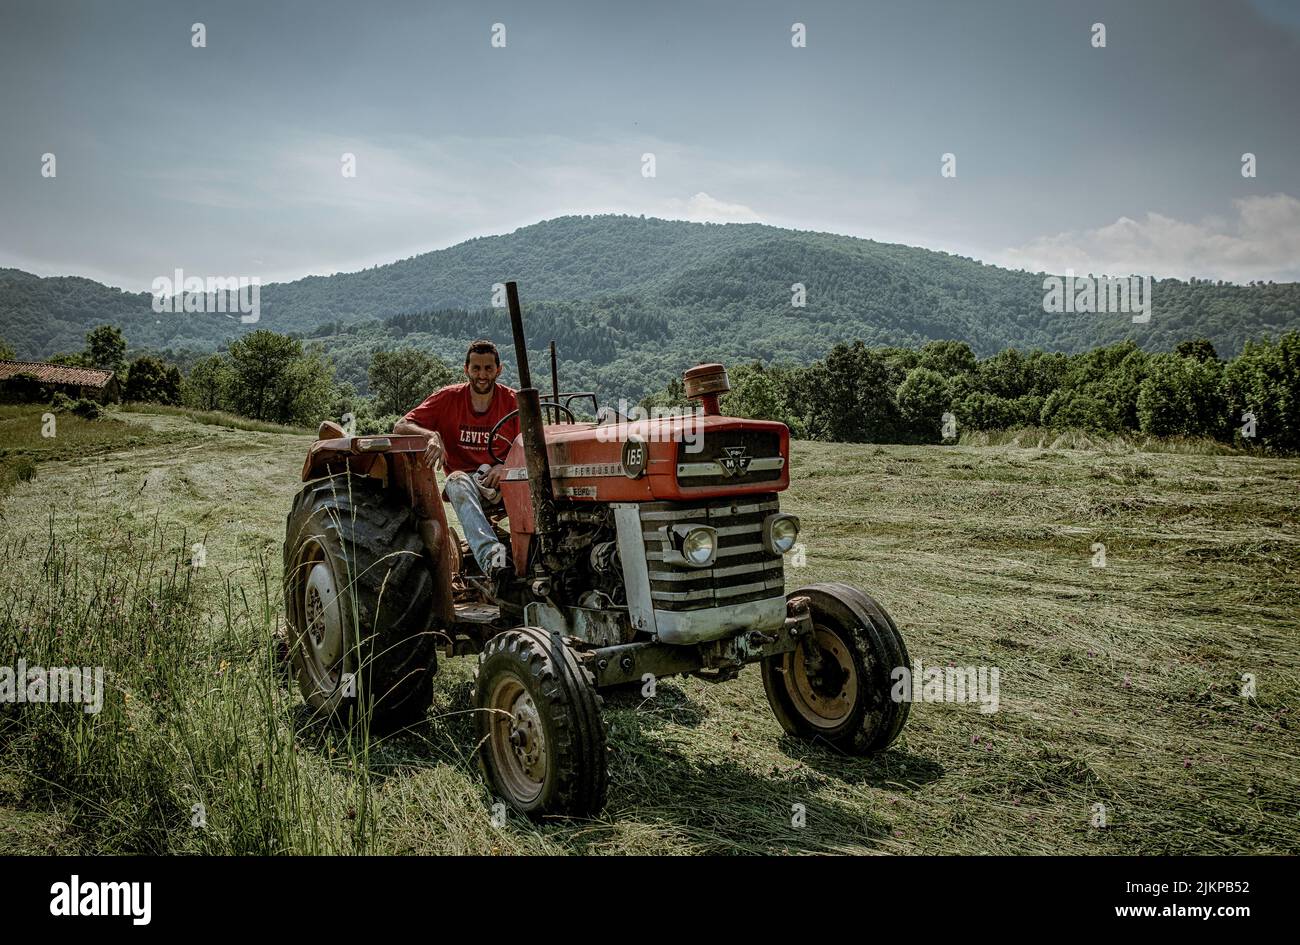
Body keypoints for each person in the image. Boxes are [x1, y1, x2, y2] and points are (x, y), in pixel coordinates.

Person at [392, 340, 519, 580]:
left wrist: (505, 466)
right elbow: (401, 425)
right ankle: (493, 560)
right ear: (466, 369)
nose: (482, 375)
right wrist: (431, 435)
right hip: (466, 480)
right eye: (476, 368)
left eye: (488, 368)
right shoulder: (448, 398)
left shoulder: (512, 401)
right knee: (456, 481)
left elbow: (528, 443)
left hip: (506, 478)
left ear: (498, 370)